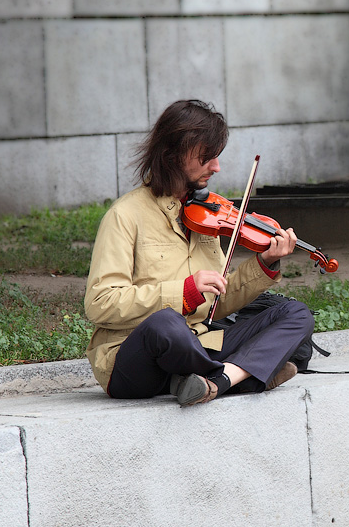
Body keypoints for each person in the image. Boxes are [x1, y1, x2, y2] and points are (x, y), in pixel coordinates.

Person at [84, 99, 314, 406]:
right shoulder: (125, 215)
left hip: (197, 344)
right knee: (166, 324)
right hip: (134, 357)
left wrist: (264, 264)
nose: (216, 167)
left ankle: (217, 381)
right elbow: (100, 303)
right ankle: (244, 374)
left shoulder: (206, 216)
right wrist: (182, 293)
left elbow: (216, 305)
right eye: (206, 157)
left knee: (295, 314)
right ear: (173, 154)